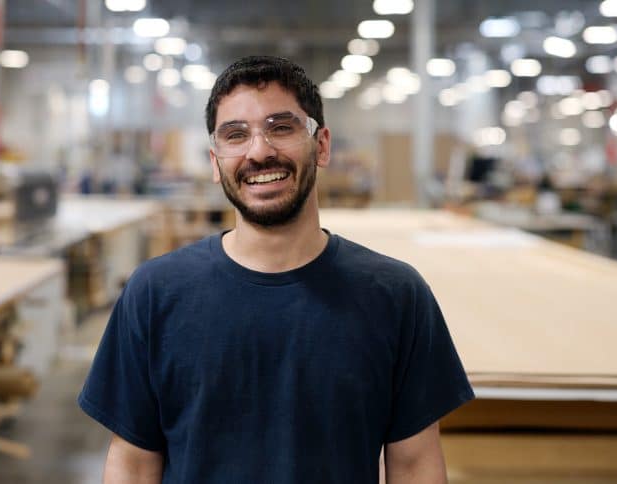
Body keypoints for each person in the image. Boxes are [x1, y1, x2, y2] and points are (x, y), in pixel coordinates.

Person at [79, 55, 474, 483]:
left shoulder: (396, 296)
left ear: (321, 145)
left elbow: (415, 465)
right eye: (235, 135)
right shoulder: (155, 293)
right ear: (215, 161)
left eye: (281, 128)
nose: (259, 151)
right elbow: (133, 465)